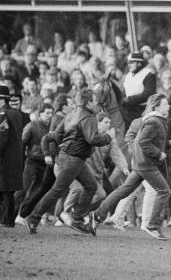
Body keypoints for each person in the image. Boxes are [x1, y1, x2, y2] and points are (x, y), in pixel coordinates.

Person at [24, 88, 113, 235]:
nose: (98, 103)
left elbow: (58, 135)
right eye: (95, 101)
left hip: (68, 157)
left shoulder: (71, 114)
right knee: (57, 190)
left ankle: (76, 218)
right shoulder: (89, 118)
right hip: (74, 159)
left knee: (90, 186)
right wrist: (108, 137)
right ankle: (34, 218)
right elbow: (93, 139)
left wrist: (61, 144)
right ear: (88, 102)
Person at [93, 94, 171, 240]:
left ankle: (98, 215)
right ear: (156, 106)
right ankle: (153, 226)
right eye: (165, 104)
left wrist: (168, 146)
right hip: (146, 164)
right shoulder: (154, 121)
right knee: (164, 191)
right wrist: (158, 154)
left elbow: (149, 141)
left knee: (124, 191)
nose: (168, 106)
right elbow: (142, 142)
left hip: (141, 163)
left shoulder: (155, 120)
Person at [0, 85, 25, 227]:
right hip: (15, 156)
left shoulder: (3, 115)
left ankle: (6, 220)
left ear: (2, 100)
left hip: (4, 158)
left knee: (3, 191)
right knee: (8, 190)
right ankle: (6, 219)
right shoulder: (16, 113)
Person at [122, 52, 157, 123]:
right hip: (129, 109)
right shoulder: (128, 75)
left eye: (131, 62)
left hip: (143, 109)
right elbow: (124, 92)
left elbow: (148, 94)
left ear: (139, 63)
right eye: (128, 62)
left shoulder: (148, 74)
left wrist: (129, 100)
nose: (129, 65)